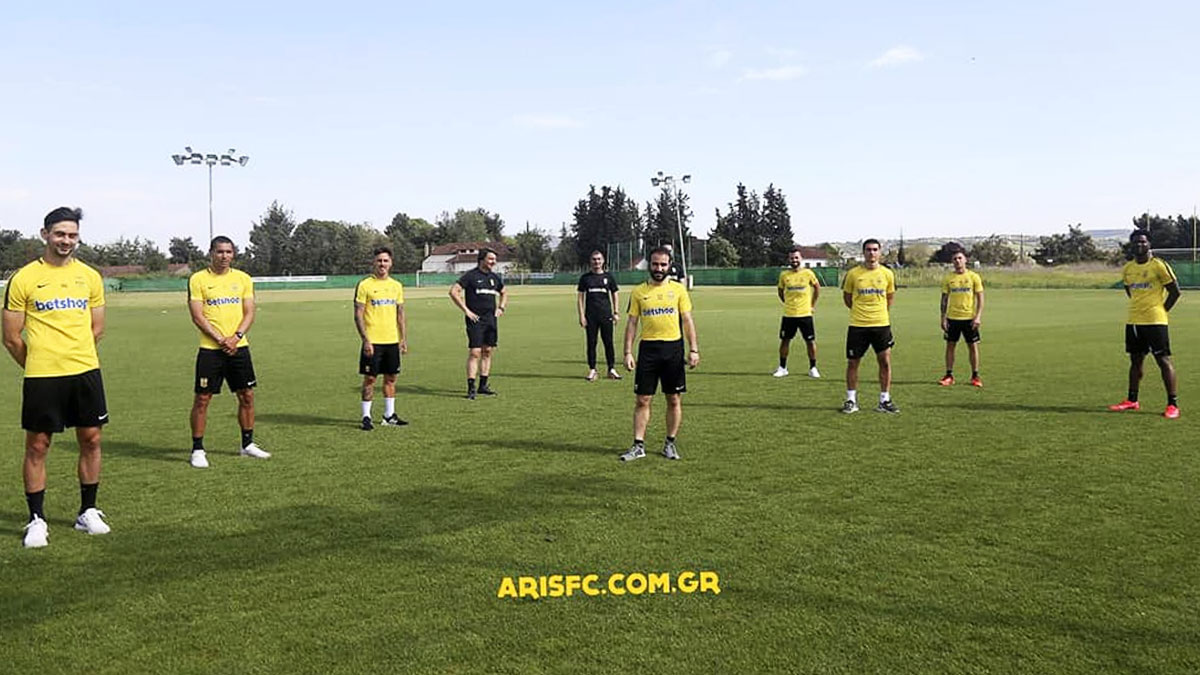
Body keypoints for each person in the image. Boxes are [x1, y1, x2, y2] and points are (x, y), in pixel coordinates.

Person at [2, 207, 111, 548]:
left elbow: (97, 328)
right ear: (45, 234)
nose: (66, 240)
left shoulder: (90, 277)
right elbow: (11, 337)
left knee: (91, 440)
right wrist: (39, 364)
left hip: (85, 372)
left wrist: (74, 356)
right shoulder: (24, 278)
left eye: (72, 235)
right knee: (38, 445)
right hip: (43, 377)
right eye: (60, 234)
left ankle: (87, 511)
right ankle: (36, 519)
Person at [187, 236, 270, 468]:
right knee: (203, 399)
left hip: (239, 348)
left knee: (247, 396)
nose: (224, 256)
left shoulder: (243, 279)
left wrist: (236, 337)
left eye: (229, 252)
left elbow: (249, 312)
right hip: (210, 350)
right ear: (211, 253)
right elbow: (197, 316)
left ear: (233, 254)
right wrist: (220, 339)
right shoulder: (198, 279)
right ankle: (197, 449)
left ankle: (247, 444)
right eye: (220, 251)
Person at [620, 247, 700, 462]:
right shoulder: (638, 292)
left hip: (673, 349)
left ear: (669, 265)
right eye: (655, 264)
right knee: (643, 399)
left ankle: (670, 443)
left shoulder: (679, 290)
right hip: (648, 349)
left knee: (673, 399)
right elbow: (632, 323)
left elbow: (687, 320)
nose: (659, 268)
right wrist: (627, 352)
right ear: (650, 265)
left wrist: (693, 349)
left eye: (663, 264)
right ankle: (638, 446)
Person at [1109, 229, 1181, 418]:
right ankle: (1132, 400)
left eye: (1143, 242)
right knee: (1135, 361)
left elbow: (1175, 292)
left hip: (1155, 321)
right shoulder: (1128, 268)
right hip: (1134, 321)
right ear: (1131, 245)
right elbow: (1130, 292)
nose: (1139, 245)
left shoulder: (1158, 265)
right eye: (1136, 242)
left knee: (1163, 360)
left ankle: (1172, 404)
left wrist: (1162, 310)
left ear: (1149, 244)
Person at [841, 239, 898, 414]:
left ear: (880, 252)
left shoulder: (887, 274)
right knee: (853, 363)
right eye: (868, 249)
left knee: (885, 362)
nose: (871, 253)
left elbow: (889, 298)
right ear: (863, 252)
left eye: (874, 249)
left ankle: (884, 400)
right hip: (858, 325)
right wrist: (861, 312)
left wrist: (879, 313)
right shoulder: (853, 274)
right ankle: (851, 400)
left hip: (881, 325)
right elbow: (847, 299)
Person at [354, 246, 409, 430]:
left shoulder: (396, 286)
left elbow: (400, 314)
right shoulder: (365, 285)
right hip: (373, 341)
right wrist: (365, 339)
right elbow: (358, 314)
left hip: (391, 340)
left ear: (391, 263)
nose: (382, 264)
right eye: (379, 260)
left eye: (385, 261)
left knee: (391, 378)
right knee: (370, 379)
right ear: (374, 262)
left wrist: (403, 338)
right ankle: (366, 416)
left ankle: (389, 415)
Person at [449, 247, 507, 400]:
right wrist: (466, 311)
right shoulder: (471, 276)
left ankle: (483, 385)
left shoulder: (494, 277)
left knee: (487, 351)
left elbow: (504, 292)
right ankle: (471, 387)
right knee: (475, 352)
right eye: (491, 259)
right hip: (475, 320)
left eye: (495, 259)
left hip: (491, 320)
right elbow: (454, 291)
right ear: (482, 260)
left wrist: (501, 307)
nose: (494, 262)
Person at [937, 248, 985, 387]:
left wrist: (978, 316)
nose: (957, 261)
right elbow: (944, 299)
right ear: (952, 262)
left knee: (972, 347)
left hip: (969, 318)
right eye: (955, 259)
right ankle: (949, 375)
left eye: (960, 258)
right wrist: (943, 318)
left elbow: (980, 298)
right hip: (952, 318)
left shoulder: (973, 277)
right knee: (950, 346)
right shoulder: (948, 278)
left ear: (965, 260)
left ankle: (975, 376)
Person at [773, 246, 821, 378]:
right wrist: (787, 303)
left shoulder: (808, 273)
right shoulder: (784, 275)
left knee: (810, 341)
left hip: (805, 314)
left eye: (796, 258)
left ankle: (813, 368)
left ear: (801, 259)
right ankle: (782, 367)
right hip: (789, 314)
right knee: (785, 341)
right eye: (791, 258)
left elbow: (817, 288)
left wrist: (812, 305)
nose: (794, 260)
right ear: (788, 260)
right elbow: (780, 291)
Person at [577, 250, 621, 381]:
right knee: (591, 343)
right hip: (591, 316)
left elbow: (615, 294)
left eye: (599, 259)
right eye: (594, 259)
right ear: (590, 261)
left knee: (608, 342)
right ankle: (592, 369)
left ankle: (611, 369)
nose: (596, 262)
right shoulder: (585, 278)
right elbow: (580, 297)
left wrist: (616, 312)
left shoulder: (609, 277)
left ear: (603, 261)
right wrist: (581, 316)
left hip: (606, 315)